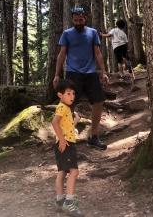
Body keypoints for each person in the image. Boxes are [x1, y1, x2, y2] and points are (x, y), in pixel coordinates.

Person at [53, 6, 109, 151]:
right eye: (76, 20)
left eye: (81, 20)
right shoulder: (67, 34)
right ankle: (65, 137)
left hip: (90, 73)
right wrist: (57, 75)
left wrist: (103, 72)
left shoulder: (92, 33)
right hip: (73, 73)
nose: (78, 22)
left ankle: (94, 136)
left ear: (85, 19)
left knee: (98, 101)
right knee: (68, 105)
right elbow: (61, 55)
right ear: (72, 19)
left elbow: (97, 53)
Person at [51, 79, 83, 216]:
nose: (72, 96)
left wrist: (75, 121)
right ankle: (69, 204)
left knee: (62, 172)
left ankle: (60, 201)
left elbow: (67, 127)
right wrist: (63, 141)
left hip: (64, 142)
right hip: (66, 144)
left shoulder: (66, 109)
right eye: (68, 94)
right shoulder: (62, 107)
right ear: (60, 95)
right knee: (74, 172)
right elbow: (54, 123)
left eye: (73, 94)